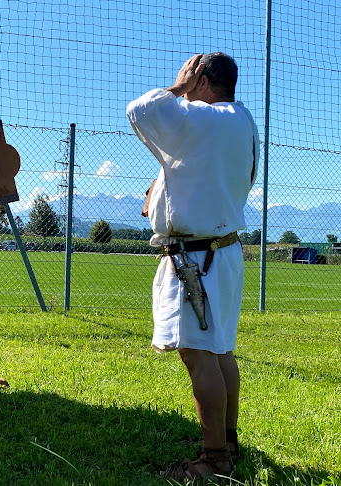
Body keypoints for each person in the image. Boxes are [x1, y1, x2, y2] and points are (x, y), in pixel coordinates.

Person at [126, 52, 258, 481]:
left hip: (196, 259)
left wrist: (178, 87)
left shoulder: (197, 118)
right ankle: (227, 442)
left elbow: (141, 109)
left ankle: (213, 460)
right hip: (226, 252)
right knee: (221, 351)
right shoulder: (243, 122)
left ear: (202, 78)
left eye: (189, 73)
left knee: (198, 354)